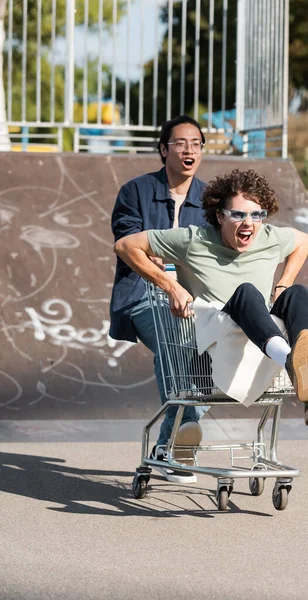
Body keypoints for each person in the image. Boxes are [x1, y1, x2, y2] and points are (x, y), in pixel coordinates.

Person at [114, 168, 308, 432]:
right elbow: (126, 246)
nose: (248, 223)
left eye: (256, 215)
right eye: (238, 214)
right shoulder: (193, 240)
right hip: (212, 353)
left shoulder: (270, 238)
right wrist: (170, 286)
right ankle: (298, 369)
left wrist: (283, 282)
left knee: (297, 293)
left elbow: (303, 240)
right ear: (220, 215)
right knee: (247, 293)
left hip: (259, 347)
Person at [109, 115, 209, 484]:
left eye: (196, 143)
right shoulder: (135, 191)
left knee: (202, 358)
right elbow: (130, 248)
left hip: (196, 301)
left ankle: (168, 449)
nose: (189, 150)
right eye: (181, 143)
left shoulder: (211, 198)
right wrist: (169, 281)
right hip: (143, 295)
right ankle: (181, 444)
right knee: (179, 341)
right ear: (164, 149)